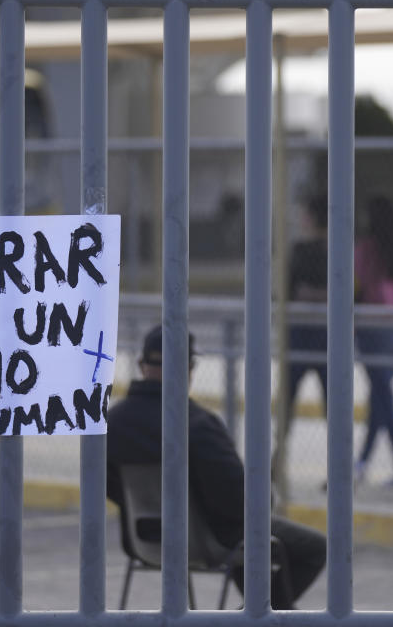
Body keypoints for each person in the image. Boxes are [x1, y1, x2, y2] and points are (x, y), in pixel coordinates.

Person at [106, 325, 327, 609]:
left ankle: (260, 610)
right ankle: (253, 614)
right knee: (313, 548)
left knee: (246, 540)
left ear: (141, 365)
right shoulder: (196, 424)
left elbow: (110, 485)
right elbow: (240, 500)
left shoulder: (112, 423)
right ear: (188, 368)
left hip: (145, 540)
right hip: (206, 540)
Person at [353, 196, 393, 486]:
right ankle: (362, 461)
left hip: (374, 328)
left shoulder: (366, 249)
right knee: (379, 396)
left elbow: (356, 284)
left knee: (383, 397)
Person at [285, 193, 329, 430]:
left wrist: (310, 293)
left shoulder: (302, 251)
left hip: (304, 332)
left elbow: (293, 289)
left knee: (288, 397)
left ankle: (276, 456)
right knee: (333, 400)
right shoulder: (337, 250)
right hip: (321, 332)